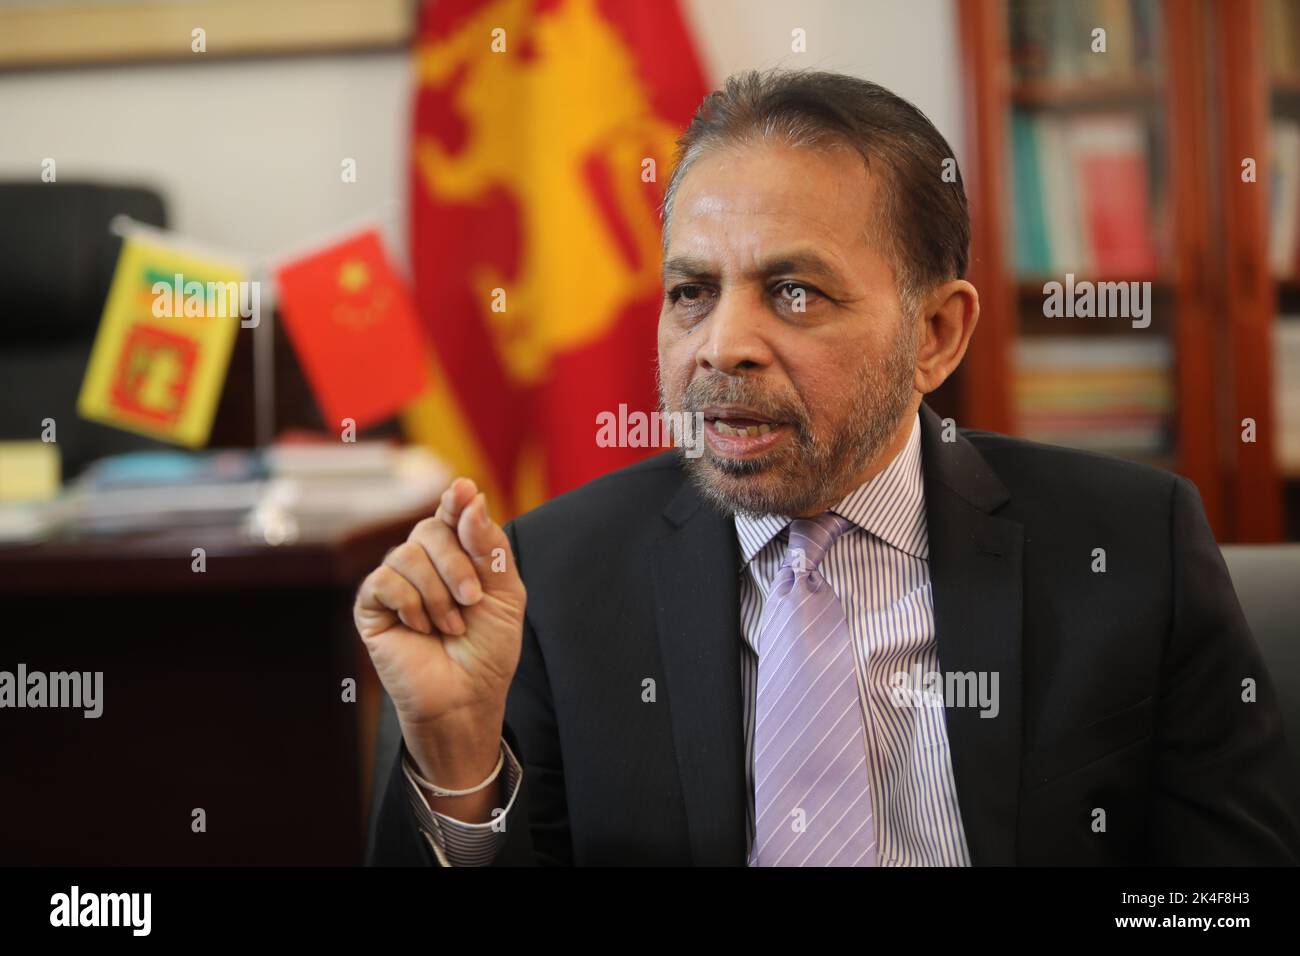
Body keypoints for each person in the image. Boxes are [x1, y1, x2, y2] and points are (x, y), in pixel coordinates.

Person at [357, 69, 1300, 866]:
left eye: (794, 293)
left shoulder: (1132, 546)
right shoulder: (556, 577)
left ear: (936, 334)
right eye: (691, 292)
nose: (721, 346)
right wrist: (457, 762)